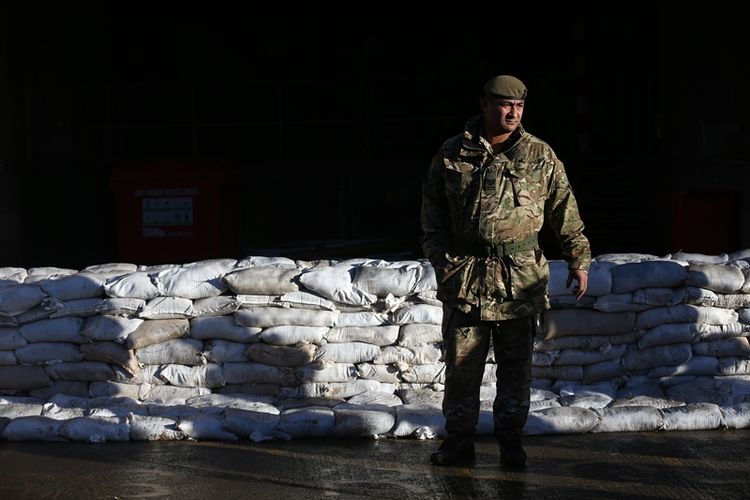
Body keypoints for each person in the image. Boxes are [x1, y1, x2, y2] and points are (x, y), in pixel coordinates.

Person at [420, 74, 591, 468]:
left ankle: (511, 441)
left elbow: (564, 212)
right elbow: (432, 215)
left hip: (520, 278)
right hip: (467, 278)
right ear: (484, 105)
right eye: (503, 105)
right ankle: (459, 442)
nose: (512, 113)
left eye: (518, 106)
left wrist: (578, 259)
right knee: (463, 368)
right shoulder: (453, 153)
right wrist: (441, 259)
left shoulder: (539, 155)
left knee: (516, 367)